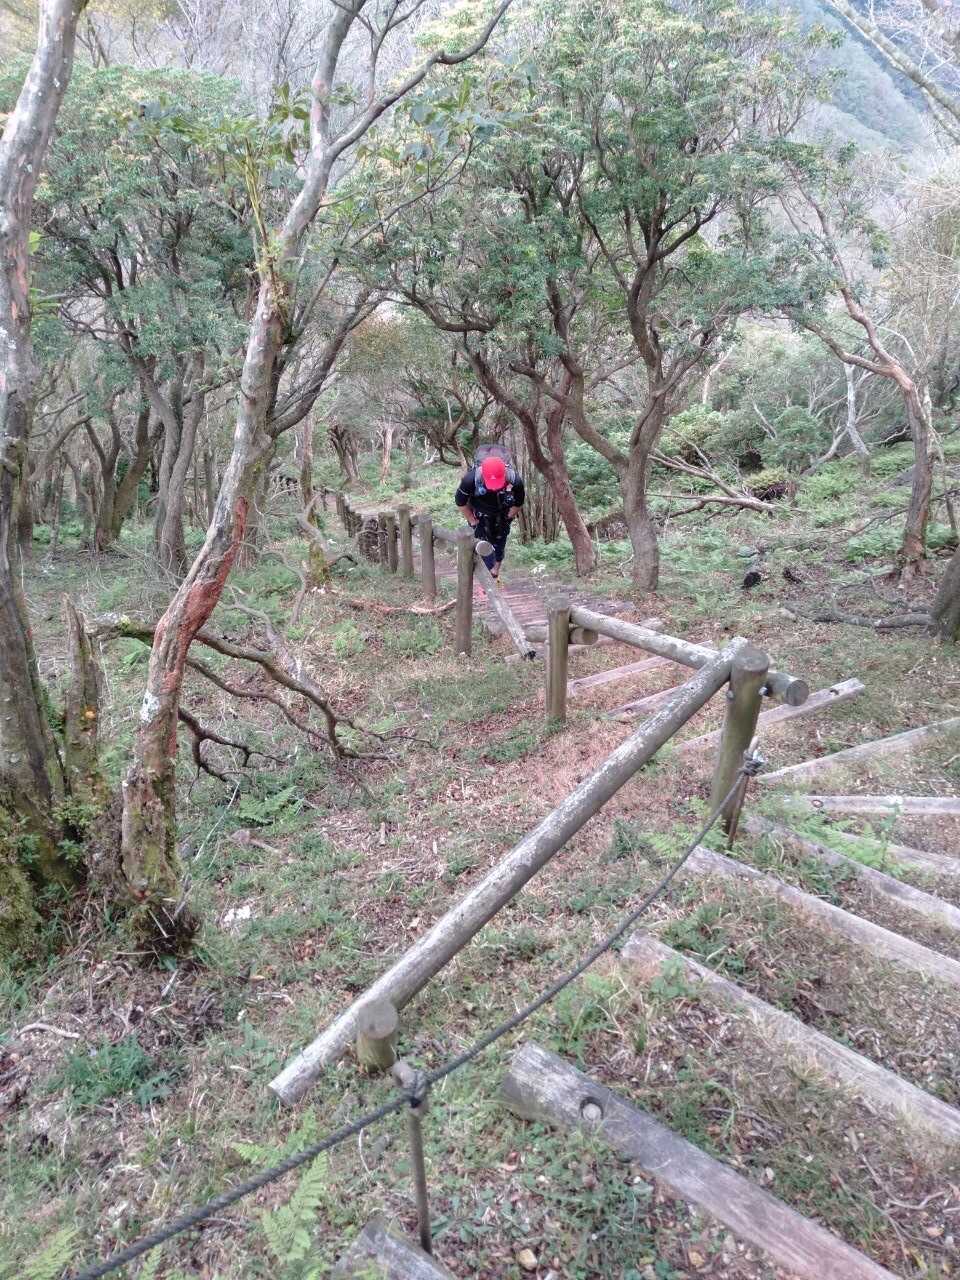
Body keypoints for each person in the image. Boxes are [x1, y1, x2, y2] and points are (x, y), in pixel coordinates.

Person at [454, 450, 525, 583]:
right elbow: (460, 502)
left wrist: (508, 517)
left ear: (504, 473)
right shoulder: (470, 479)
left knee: (500, 542)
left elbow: (519, 503)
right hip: (479, 512)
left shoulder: (514, 480)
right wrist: (472, 520)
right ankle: (484, 577)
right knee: (481, 543)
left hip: (502, 512)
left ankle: (495, 571)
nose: (494, 488)